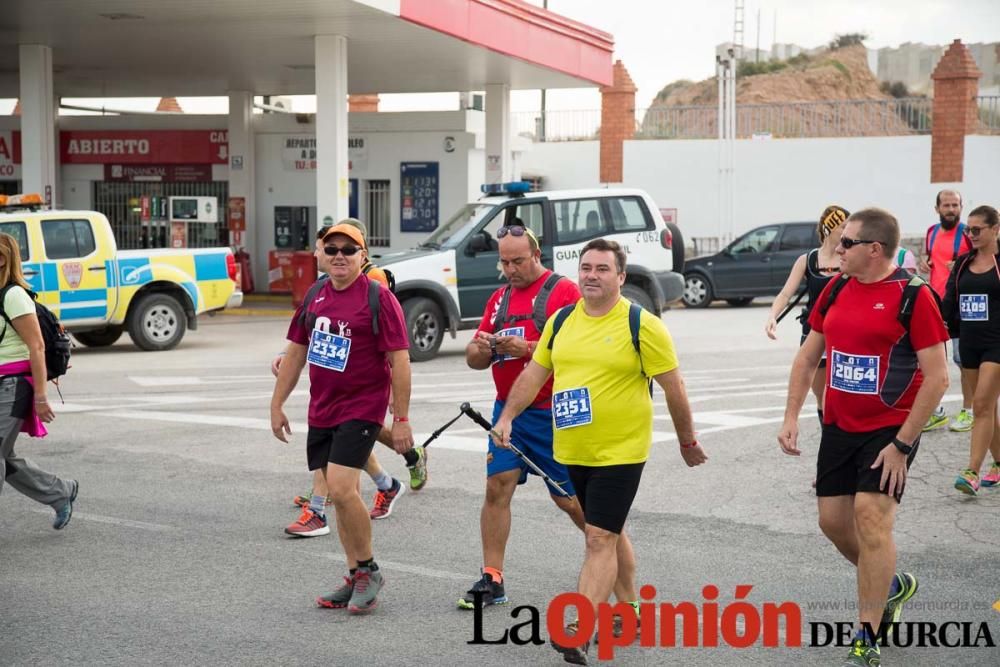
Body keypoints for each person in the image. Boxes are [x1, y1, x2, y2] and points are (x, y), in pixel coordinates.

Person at [492, 238, 707, 664]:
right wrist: (507, 418)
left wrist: (687, 441)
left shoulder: (641, 325)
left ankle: (579, 626)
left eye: (602, 269)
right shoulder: (561, 321)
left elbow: (674, 388)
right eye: (586, 268)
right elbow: (535, 374)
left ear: (621, 278)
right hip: (573, 449)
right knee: (607, 532)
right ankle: (630, 611)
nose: (591, 275)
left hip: (620, 452)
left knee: (599, 537)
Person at [779, 208, 949, 667]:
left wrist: (902, 445)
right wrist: (792, 416)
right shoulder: (834, 288)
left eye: (848, 243)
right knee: (833, 523)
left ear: (874, 249)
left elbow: (937, 379)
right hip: (838, 425)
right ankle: (891, 585)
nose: (838, 248)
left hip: (888, 430)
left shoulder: (915, 297)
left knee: (871, 519)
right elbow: (806, 359)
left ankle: (867, 633)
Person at [270, 222, 413, 614]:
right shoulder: (315, 294)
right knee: (337, 490)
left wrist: (400, 418)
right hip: (324, 408)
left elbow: (399, 360)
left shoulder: (378, 298)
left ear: (363, 257)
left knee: (342, 487)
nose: (339, 256)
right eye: (331, 249)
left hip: (362, 406)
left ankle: (369, 571)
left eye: (348, 250)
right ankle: (354, 574)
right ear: (320, 254)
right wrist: (277, 403)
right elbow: (297, 351)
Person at [460, 222, 597, 610]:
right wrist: (483, 349)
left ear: (537, 255)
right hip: (508, 412)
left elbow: (578, 346)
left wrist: (527, 348)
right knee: (497, 487)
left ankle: (606, 556)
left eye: (518, 261)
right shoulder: (499, 299)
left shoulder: (564, 292)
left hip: (551, 414)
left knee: (570, 501)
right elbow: (472, 355)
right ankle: (493, 578)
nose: (510, 269)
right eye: (504, 262)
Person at [0, 233, 74, 529]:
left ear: (2, 259)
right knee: (6, 457)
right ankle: (60, 492)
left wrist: (41, 397)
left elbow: (37, 346)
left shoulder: (14, 295)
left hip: (14, 385)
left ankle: (60, 493)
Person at [766, 205, 848, 423]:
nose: (847, 231)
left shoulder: (848, 260)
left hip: (844, 333)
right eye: (843, 226)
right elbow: (785, 294)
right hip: (815, 333)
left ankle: (839, 436)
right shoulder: (808, 261)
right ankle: (828, 434)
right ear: (830, 228)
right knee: (821, 395)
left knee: (840, 393)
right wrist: (772, 316)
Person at [940, 205, 1000, 495]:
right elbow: (949, 300)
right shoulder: (963, 262)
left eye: (977, 230)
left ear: (995, 229)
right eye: (968, 229)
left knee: (981, 407)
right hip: (969, 343)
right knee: (985, 408)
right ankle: (999, 463)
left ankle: (972, 471)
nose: (971, 234)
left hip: (997, 344)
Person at [920, 190, 975, 433]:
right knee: (930, 361)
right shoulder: (931, 232)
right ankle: (936, 412)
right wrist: (925, 262)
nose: (951, 209)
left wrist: (964, 264)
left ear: (961, 207)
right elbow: (930, 257)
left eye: (955, 205)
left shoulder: (968, 233)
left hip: (960, 305)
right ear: (937, 208)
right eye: (946, 205)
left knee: (963, 360)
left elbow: (982, 260)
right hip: (934, 303)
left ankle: (969, 410)